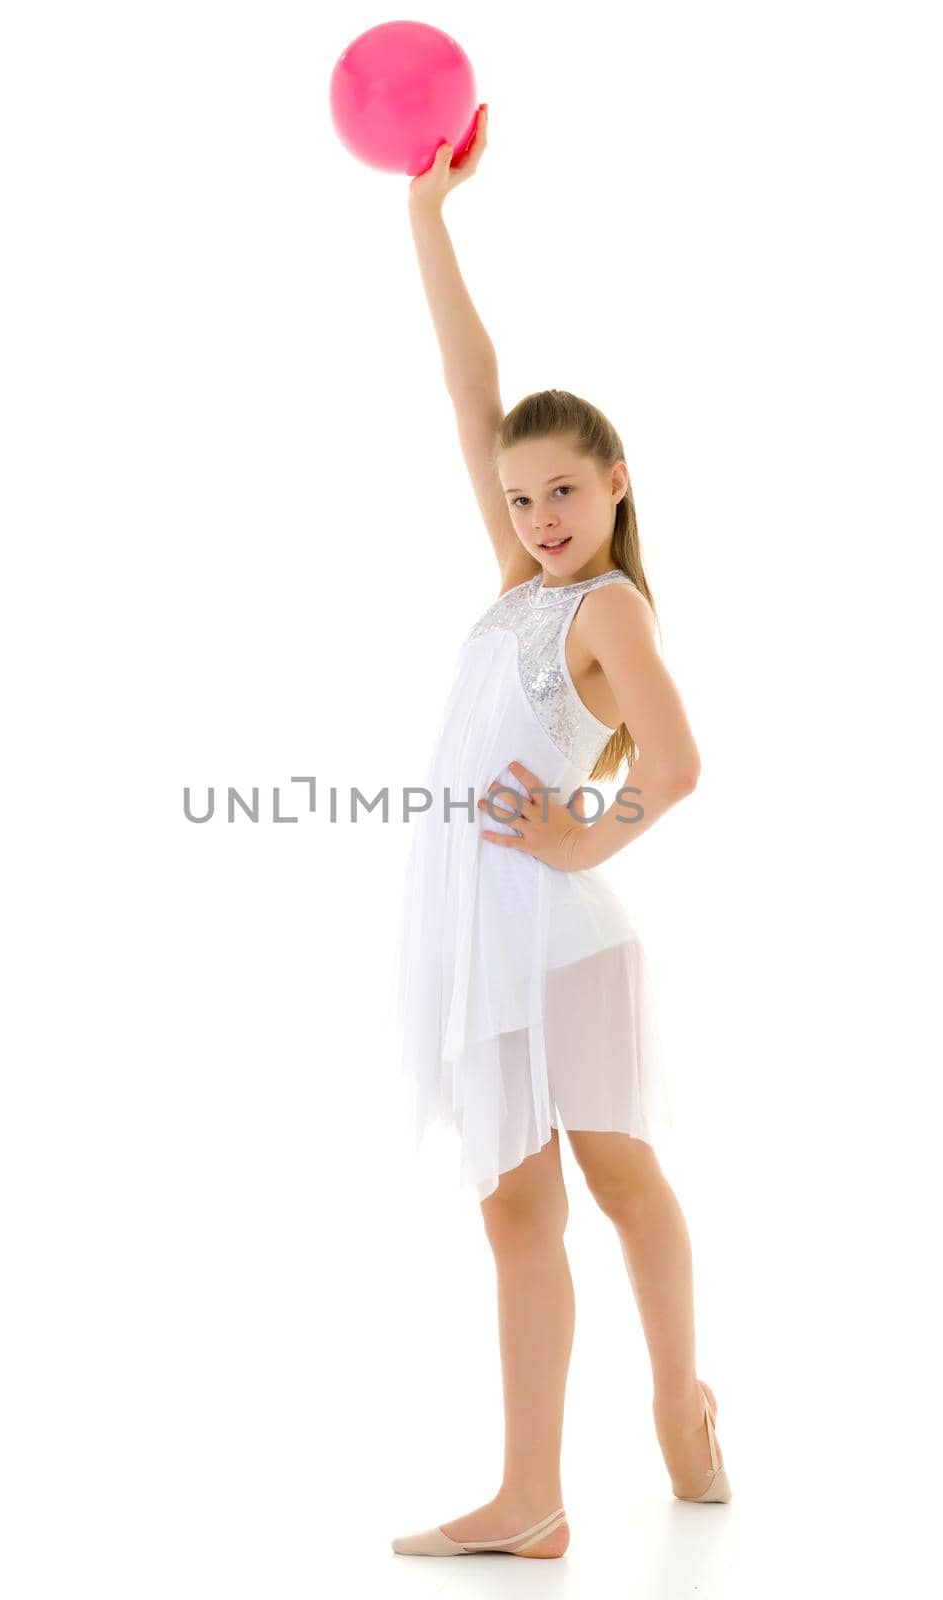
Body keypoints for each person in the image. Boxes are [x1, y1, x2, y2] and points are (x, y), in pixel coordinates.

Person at [389, 106, 731, 1561]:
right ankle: (533, 1498)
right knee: (514, 1216)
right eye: (521, 495)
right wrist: (426, 220)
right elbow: (474, 400)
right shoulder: (518, 585)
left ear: (617, 487)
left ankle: (680, 1400)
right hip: (485, 936)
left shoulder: (607, 607)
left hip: (563, 940)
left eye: (564, 492)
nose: (535, 512)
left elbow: (679, 762)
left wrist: (578, 843)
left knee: (618, 1180)